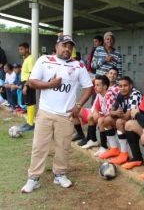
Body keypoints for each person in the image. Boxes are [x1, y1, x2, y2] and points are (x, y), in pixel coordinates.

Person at [21, 35, 93, 193]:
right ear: (57, 46)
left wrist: (79, 105)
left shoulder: (78, 65)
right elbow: (32, 81)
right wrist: (50, 84)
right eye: (64, 45)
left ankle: (59, 175)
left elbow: (89, 87)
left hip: (65, 115)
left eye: (70, 47)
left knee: (63, 147)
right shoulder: (44, 60)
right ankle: (33, 178)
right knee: (39, 147)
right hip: (46, 112)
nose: (67, 49)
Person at [98, 76, 142, 163]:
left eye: (125, 85)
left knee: (119, 121)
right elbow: (111, 111)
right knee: (105, 120)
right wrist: (115, 113)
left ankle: (124, 153)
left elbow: (127, 116)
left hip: (138, 122)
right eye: (120, 86)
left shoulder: (135, 94)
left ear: (131, 85)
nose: (122, 88)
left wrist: (117, 114)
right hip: (126, 120)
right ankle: (114, 148)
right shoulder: (120, 94)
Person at [18, 42, 36, 131]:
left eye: (21, 49)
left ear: (27, 49)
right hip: (25, 83)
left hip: (28, 83)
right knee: (28, 104)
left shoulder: (30, 58)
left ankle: (31, 123)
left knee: (30, 103)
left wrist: (26, 85)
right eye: (19, 49)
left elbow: (31, 73)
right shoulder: (25, 59)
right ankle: (29, 122)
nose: (20, 51)